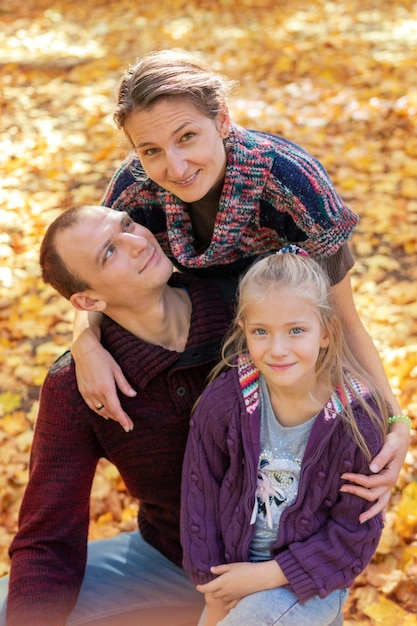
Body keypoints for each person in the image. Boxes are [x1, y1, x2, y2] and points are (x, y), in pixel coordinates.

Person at [71, 49, 409, 523]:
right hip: (191, 347)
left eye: (187, 136)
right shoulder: (136, 189)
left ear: (223, 120)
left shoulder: (290, 184)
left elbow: (343, 319)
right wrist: (84, 341)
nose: (175, 165)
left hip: (279, 345)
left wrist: (394, 418)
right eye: (151, 151)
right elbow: (92, 274)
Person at [0, 204, 233, 626]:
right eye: (110, 252)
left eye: (127, 224)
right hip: (172, 559)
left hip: (285, 559)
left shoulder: (245, 314)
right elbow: (47, 539)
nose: (138, 241)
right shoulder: (76, 386)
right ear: (87, 300)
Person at [181, 247, 390, 626]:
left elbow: (353, 534)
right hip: (233, 576)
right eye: (261, 332)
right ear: (244, 331)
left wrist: (266, 576)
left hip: (311, 581)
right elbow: (200, 499)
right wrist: (213, 594)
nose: (278, 350)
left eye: (296, 331)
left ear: (326, 333)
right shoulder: (224, 402)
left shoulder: (358, 422)